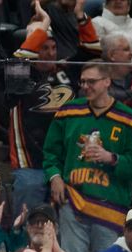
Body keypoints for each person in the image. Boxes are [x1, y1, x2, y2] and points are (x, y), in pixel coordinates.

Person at [42, 62, 132, 252]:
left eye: (91, 81)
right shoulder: (68, 112)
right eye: (82, 82)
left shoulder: (128, 119)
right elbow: (50, 153)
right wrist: (54, 177)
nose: (85, 86)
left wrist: (112, 158)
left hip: (110, 207)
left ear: (107, 82)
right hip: (72, 201)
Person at [9, 9, 77, 215]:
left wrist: (81, 16)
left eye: (53, 47)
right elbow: (20, 60)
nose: (50, 53)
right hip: (30, 163)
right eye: (42, 47)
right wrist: (43, 25)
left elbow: (95, 56)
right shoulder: (19, 73)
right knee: (25, 224)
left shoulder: (66, 73)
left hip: (65, 163)